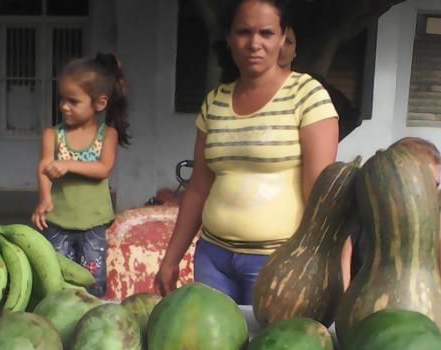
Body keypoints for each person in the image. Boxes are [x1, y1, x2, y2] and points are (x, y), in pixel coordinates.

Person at [154, 0, 339, 303]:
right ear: (228, 38)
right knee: (213, 348)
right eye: (243, 32)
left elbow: (321, 192)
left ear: (283, 38)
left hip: (278, 262)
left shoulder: (307, 95)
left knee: (269, 348)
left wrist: (326, 263)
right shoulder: (215, 102)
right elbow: (199, 188)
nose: (254, 43)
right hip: (212, 258)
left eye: (266, 33)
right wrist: (171, 257)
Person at [31, 53, 130, 298]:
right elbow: (44, 167)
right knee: (56, 279)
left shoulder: (108, 135)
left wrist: (67, 164)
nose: (64, 106)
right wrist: (44, 198)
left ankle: (90, 320)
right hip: (57, 222)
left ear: (99, 103)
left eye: (73, 101)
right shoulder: (52, 135)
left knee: (92, 281)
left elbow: (103, 168)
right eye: (62, 99)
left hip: (92, 225)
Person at [340, 137, 441, 319]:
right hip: (366, 320)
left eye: (436, 185)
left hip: (425, 323)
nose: (431, 193)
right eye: (425, 182)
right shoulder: (359, 218)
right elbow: (342, 291)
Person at [277, 25, 362, 141]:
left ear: (295, 52)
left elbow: (353, 117)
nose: (281, 47)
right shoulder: (250, 86)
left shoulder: (311, 84)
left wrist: (324, 145)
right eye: (276, 40)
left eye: (288, 42)